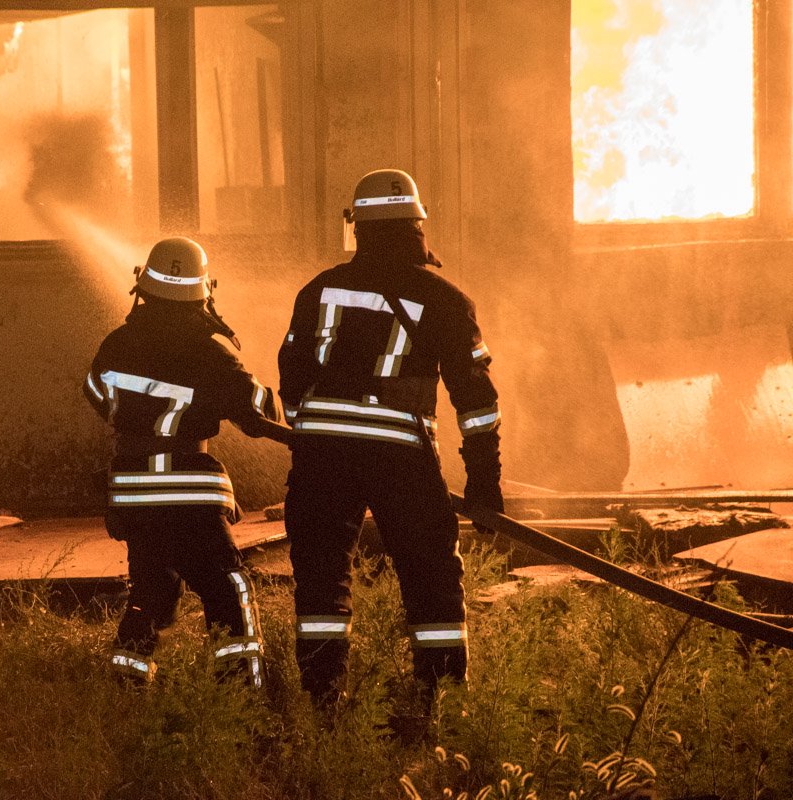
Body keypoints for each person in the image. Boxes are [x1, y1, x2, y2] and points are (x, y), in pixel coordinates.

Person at [278, 169, 503, 722]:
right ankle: (439, 702)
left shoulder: (319, 288)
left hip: (322, 455)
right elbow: (475, 400)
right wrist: (484, 480)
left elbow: (290, 373)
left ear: (358, 227)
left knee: (321, 577)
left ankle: (324, 704)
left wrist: (309, 433)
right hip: (399, 453)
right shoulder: (446, 300)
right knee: (429, 575)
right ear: (416, 226)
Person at [83, 236, 291, 688]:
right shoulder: (211, 351)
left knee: (150, 594)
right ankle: (241, 697)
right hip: (190, 495)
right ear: (204, 290)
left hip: (134, 495)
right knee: (227, 589)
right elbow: (257, 410)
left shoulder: (115, 345)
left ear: (144, 284)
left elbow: (97, 395)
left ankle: (127, 691)